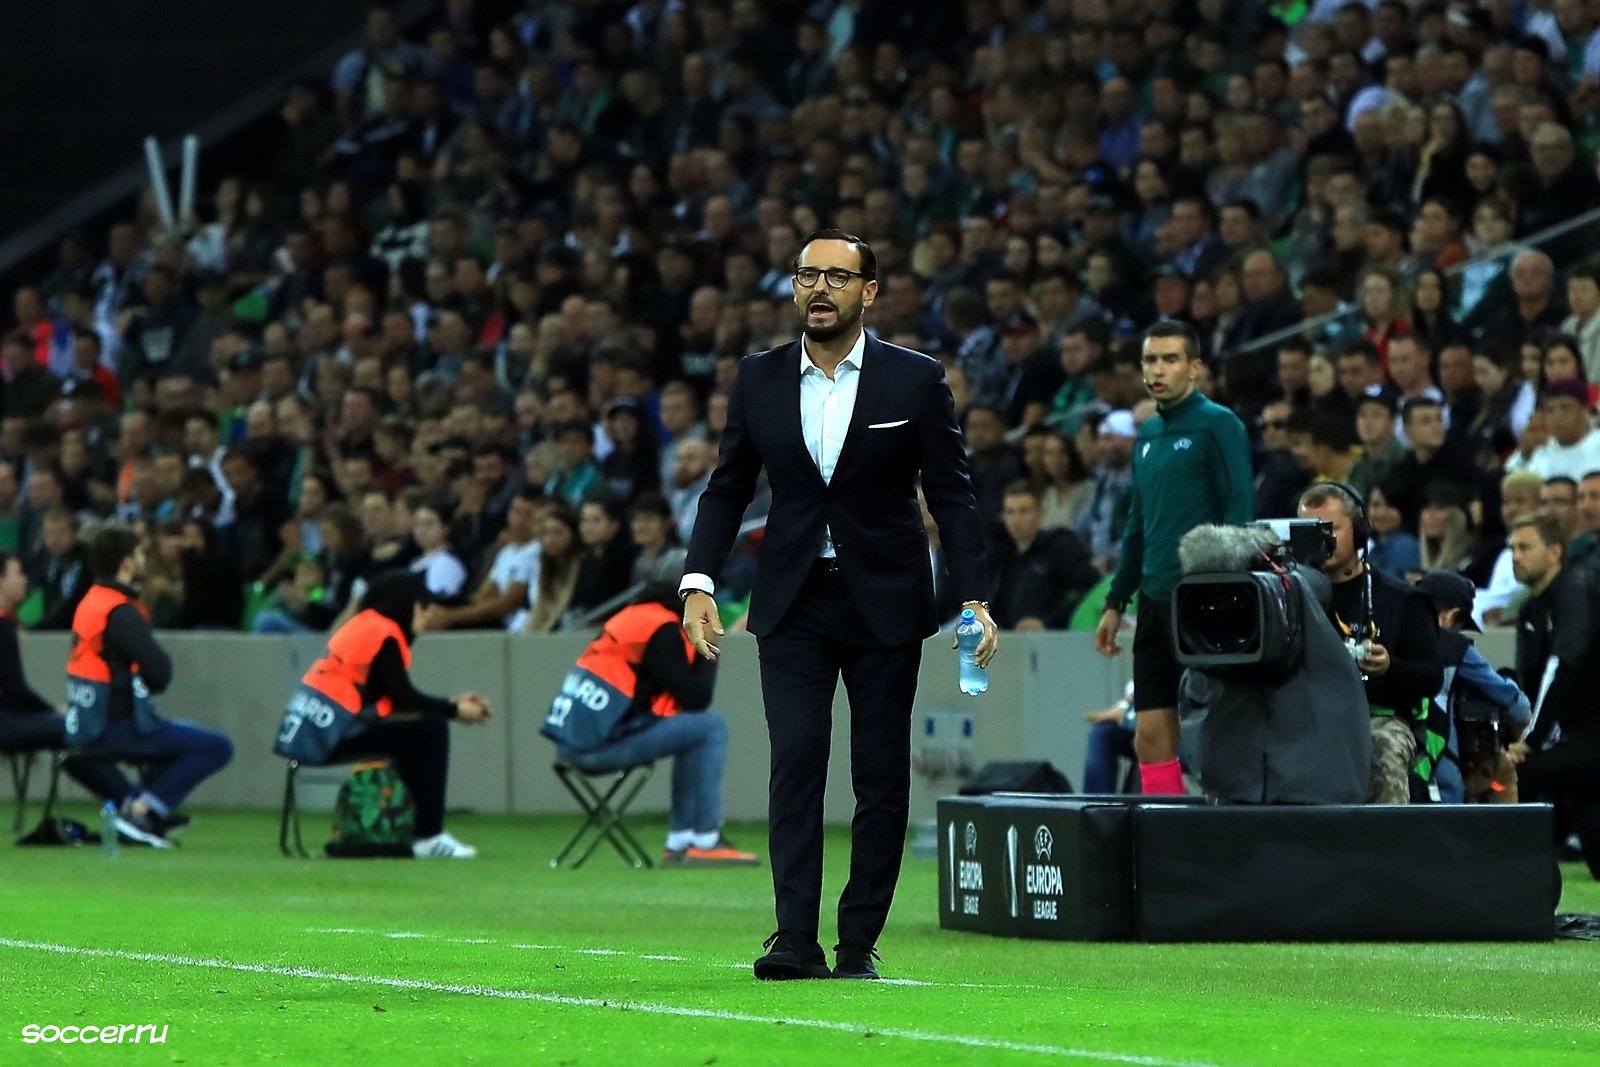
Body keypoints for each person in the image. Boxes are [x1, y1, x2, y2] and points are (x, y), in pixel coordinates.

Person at [679, 230, 996, 982]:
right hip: (792, 600)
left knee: (879, 775)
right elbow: (727, 488)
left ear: (869, 291)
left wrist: (975, 597)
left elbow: (952, 495)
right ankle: (794, 937)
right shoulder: (758, 377)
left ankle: (858, 941)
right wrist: (698, 582)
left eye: (837, 276)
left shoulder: (914, 379)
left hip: (885, 600)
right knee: (795, 759)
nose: (820, 288)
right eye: (807, 275)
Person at [1095, 321, 1253, 795]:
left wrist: (1230, 587)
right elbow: (1137, 526)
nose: (1158, 370)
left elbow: (1239, 509)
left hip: (1205, 598)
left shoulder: (1219, 424)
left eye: (1170, 359)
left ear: (1195, 368)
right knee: (1149, 735)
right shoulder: (1146, 434)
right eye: (1150, 360)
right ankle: (1166, 824)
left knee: (1218, 731)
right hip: (1155, 600)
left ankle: (1230, 824)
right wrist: (1116, 600)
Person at [546, 558, 756, 867]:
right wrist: (708, 645)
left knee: (695, 731)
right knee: (711, 726)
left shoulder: (634, 616)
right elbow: (697, 699)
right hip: (597, 746)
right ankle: (704, 839)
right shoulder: (662, 627)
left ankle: (681, 841)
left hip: (574, 741)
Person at [274, 571, 491, 859]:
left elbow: (392, 700)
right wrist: (454, 711)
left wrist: (451, 704)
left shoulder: (363, 626)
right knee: (431, 729)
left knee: (418, 728)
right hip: (325, 737)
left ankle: (408, 831)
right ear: (403, 604)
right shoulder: (382, 631)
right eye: (424, 605)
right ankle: (429, 835)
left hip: (309, 733)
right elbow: (404, 698)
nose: (430, 613)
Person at [64, 526, 234, 847]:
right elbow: (160, 670)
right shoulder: (119, 610)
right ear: (127, 563)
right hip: (117, 724)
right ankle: (142, 812)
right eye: (141, 554)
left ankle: (147, 813)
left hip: (87, 720)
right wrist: (146, 686)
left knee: (178, 742)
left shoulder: (90, 602)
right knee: (216, 747)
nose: (145, 560)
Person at [1298, 483, 1444, 804]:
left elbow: (1432, 677)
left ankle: (1385, 838)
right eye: (1310, 531)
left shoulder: (1403, 599)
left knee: (1382, 747)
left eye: (1330, 529)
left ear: (1360, 531)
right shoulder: (1283, 597)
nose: (1321, 540)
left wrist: (1391, 667)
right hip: (1305, 716)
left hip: (1376, 717)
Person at [0, 551, 131, 817]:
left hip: (8, 716)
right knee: (70, 727)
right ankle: (133, 804)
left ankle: (129, 802)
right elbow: (15, 691)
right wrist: (52, 710)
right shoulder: (3, 627)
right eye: (18, 573)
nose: (25, 580)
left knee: (68, 733)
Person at [1507, 514, 1600, 876]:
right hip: (1575, 737)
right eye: (1512, 548)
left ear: (1555, 552)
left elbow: (1565, 665)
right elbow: (1530, 682)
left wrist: (1532, 741)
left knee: (1517, 774)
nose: (1516, 556)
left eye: (1525, 547)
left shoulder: (1572, 594)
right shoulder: (1531, 608)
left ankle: (1509, 869)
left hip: (1590, 736)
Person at [1414, 571, 1528, 805]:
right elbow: (1518, 708)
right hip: (1436, 769)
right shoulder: (1452, 646)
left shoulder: (1387, 634)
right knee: (1495, 773)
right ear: (1451, 615)